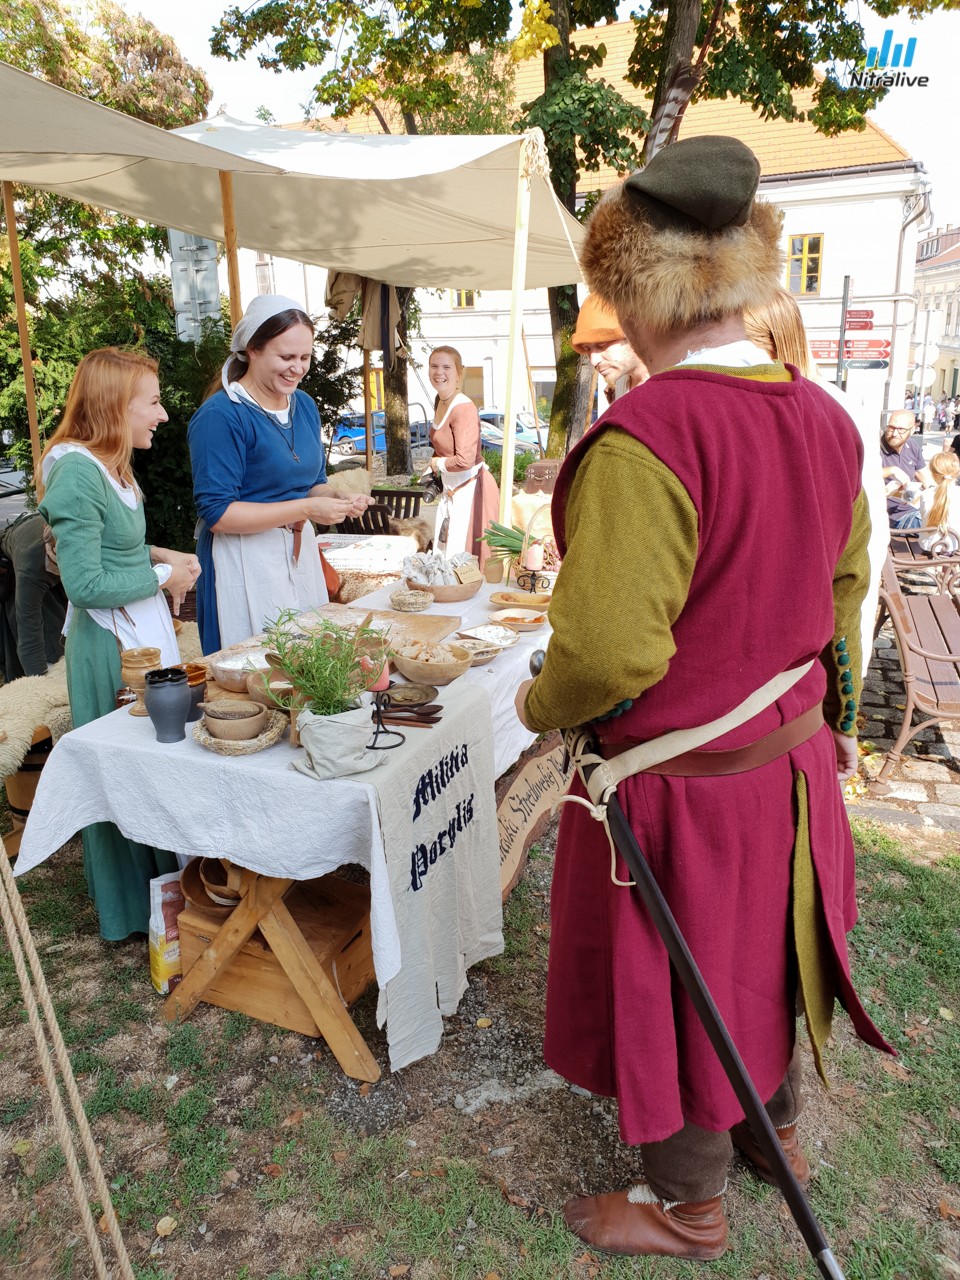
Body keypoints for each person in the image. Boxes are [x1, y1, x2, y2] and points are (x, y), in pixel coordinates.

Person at [513, 135, 890, 1260]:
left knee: (687, 975)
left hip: (683, 792)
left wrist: (540, 706)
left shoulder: (647, 438)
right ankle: (771, 1130)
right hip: (789, 764)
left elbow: (605, 652)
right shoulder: (826, 419)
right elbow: (846, 588)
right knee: (768, 955)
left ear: (634, 292)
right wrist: (822, 726)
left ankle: (691, 1203)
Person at [38, 348, 200, 940]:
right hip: (111, 648)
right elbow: (83, 583)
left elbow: (116, 545)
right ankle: (133, 911)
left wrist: (161, 554)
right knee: (124, 775)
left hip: (140, 637)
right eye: (152, 402)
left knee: (151, 768)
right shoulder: (78, 470)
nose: (161, 414)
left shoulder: (112, 465)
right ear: (114, 406)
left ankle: (170, 897)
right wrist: (165, 577)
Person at [189, 295, 371, 653]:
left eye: (304, 358)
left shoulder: (303, 405)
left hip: (297, 555)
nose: (297, 368)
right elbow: (218, 514)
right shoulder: (222, 416)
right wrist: (305, 509)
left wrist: (334, 498)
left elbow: (313, 484)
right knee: (256, 669)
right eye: (286, 357)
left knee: (310, 659)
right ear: (252, 350)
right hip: (241, 560)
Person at [744, 287, 888, 679]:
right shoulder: (751, 403)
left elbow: (867, 533)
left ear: (771, 345)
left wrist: (848, 669)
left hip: (814, 606)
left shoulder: (833, 408)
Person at [423, 345, 500, 564]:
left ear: (459, 373)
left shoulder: (463, 408)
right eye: (434, 366)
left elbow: (465, 460)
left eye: (447, 367)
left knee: (466, 562)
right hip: (453, 489)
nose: (439, 372)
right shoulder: (441, 401)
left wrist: (437, 463)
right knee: (447, 557)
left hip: (472, 491)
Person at [0, 511, 67, 680]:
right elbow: (29, 636)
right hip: (16, 568)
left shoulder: (91, 541)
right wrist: (41, 688)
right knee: (51, 642)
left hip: (43, 561)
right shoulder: (31, 568)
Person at [572, 294, 649, 404]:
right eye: (587, 348)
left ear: (633, 334)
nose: (594, 361)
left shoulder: (672, 390)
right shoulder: (620, 383)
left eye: (602, 344)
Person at [881, 409, 931, 530]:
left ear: (913, 430)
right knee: (935, 525)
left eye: (901, 429)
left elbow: (926, 480)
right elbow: (862, 476)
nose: (894, 433)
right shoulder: (875, 448)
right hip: (894, 516)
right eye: (891, 427)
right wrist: (892, 470)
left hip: (916, 507)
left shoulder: (912, 446)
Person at [918, 449, 960, 551]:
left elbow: (923, 517)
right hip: (955, 546)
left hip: (929, 546)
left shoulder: (926, 494)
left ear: (933, 473)